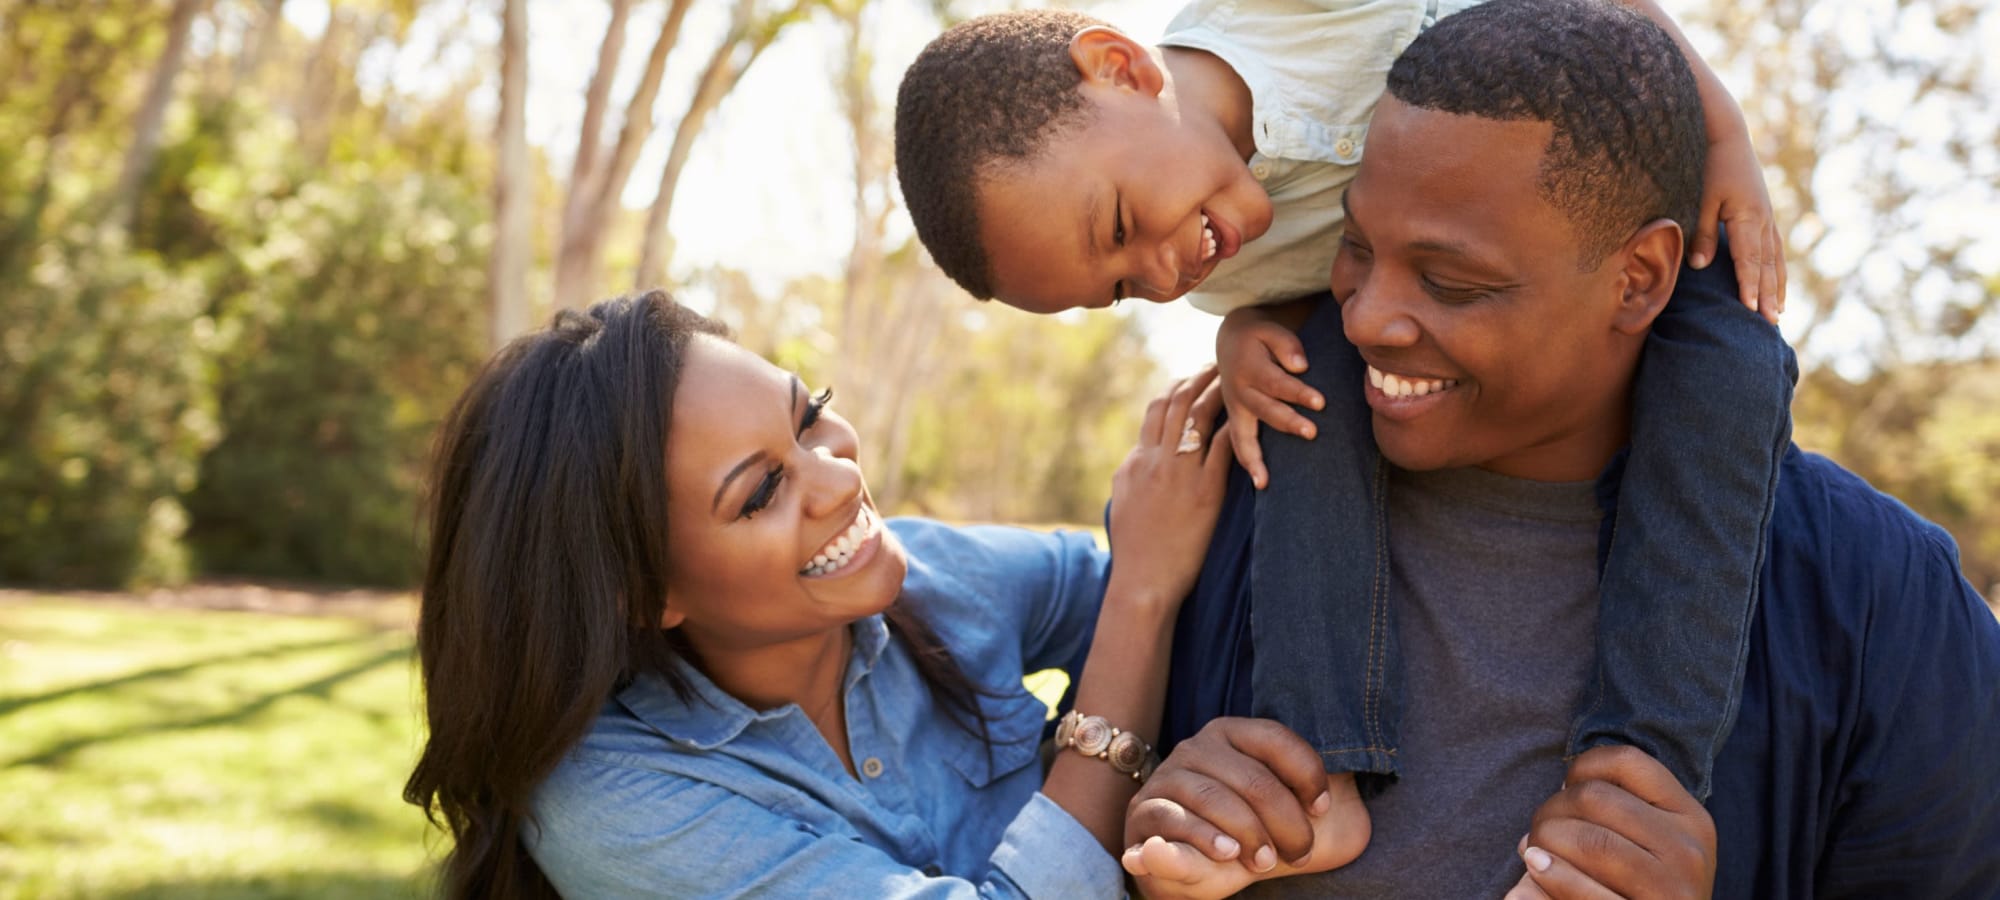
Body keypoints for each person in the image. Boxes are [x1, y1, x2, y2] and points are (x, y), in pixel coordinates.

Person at [1119, 0, 2000, 895]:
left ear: (1641, 278)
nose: (1369, 317)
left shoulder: (1878, 603)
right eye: (1354, 246)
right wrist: (1152, 855)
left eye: (1452, 282)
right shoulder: (1216, 514)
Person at [892, 0, 1794, 848]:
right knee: (1298, 398)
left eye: (1124, 223)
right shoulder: (1218, 262)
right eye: (1124, 287)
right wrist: (1248, 330)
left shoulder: (1285, 20)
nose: (1164, 274)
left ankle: (1638, 772)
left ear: (1119, 67)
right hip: (1454, 330)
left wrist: (1722, 137)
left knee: (1737, 367)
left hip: (1611, 207)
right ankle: (1320, 773)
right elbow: (1301, 298)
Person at [400, 292, 1276, 897]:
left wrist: (1253, 332)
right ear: (644, 594)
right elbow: (1145, 595)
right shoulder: (615, 804)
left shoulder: (934, 574)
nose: (836, 479)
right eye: (759, 493)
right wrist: (1140, 604)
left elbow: (1200, 604)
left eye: (807, 413)